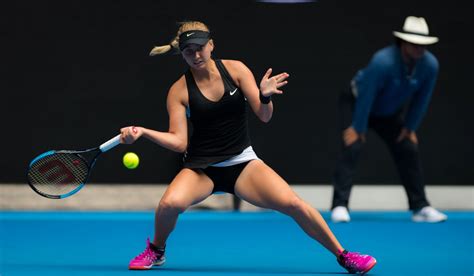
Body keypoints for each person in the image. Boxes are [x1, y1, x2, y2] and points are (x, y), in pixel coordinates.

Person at [121, 21, 376, 274]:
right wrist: (143, 133)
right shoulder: (178, 91)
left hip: (242, 164)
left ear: (211, 45)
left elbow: (264, 116)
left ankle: (344, 256)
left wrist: (265, 96)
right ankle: (157, 250)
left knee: (294, 204)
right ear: (183, 53)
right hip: (201, 169)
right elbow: (179, 142)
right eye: (189, 50)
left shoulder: (236, 70)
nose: (196, 55)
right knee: (168, 205)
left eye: (200, 47)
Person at [331, 16, 448, 223]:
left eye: (423, 45)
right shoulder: (382, 61)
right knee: (353, 144)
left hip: (387, 113)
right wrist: (358, 127)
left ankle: (420, 207)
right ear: (403, 43)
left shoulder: (430, 66)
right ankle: (339, 206)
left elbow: (423, 98)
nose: (420, 49)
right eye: (415, 44)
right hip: (357, 102)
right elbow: (366, 95)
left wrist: (410, 127)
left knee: (407, 147)